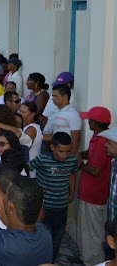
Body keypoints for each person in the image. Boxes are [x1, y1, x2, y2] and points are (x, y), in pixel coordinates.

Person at [29, 132, 78, 262]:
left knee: (57, 240)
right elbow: (27, 169)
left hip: (62, 208)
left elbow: (72, 174)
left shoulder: (71, 161)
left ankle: (50, 262)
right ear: (52, 147)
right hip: (44, 209)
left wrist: (72, 192)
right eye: (61, 151)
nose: (65, 155)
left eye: (68, 152)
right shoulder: (42, 159)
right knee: (45, 239)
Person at [76, 106, 112, 265]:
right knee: (86, 232)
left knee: (93, 233)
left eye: (90, 119)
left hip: (95, 196)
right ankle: (86, 259)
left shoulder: (103, 140)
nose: (88, 122)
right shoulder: (98, 137)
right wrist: (83, 154)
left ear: (95, 123)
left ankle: (93, 262)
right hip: (89, 194)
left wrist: (81, 165)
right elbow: (93, 155)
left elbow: (96, 170)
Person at [43, 84, 82, 154]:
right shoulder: (56, 112)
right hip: (55, 152)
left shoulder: (72, 114)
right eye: (52, 96)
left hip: (65, 154)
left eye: (55, 96)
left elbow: (76, 138)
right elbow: (53, 134)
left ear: (65, 97)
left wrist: (71, 158)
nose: (53, 99)